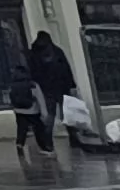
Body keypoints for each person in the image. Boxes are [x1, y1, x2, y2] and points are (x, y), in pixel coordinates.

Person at [25, 27, 80, 157]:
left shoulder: (33, 54)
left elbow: (32, 72)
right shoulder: (56, 51)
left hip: (45, 89)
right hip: (61, 86)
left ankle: (48, 143)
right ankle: (73, 138)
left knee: (49, 116)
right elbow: (66, 68)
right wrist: (72, 84)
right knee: (67, 113)